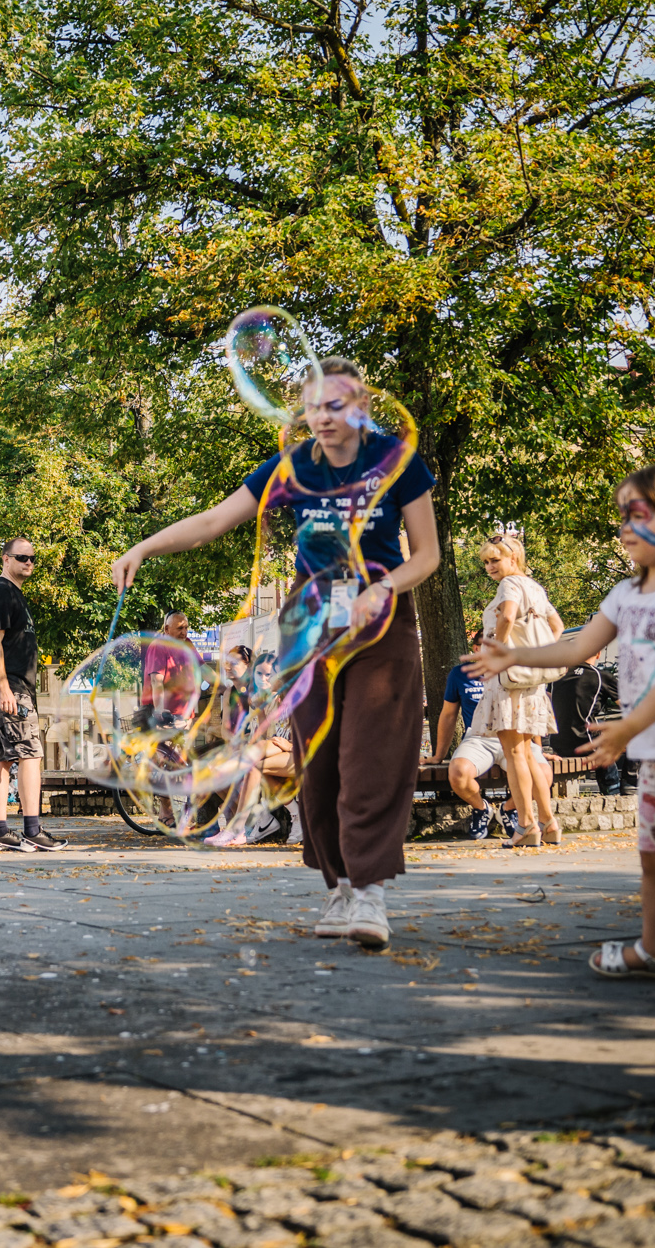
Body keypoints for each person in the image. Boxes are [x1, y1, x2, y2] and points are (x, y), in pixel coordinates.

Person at [112, 356, 441, 950]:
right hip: (310, 620)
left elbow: (428, 555)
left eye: (336, 406)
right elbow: (215, 520)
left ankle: (370, 893)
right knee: (320, 756)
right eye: (313, 407)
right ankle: (339, 885)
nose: (323, 418)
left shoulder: (397, 461)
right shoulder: (292, 468)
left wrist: (384, 587)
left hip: (379, 618)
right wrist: (144, 547)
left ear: (360, 405)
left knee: (372, 749)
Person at [466, 465, 655, 1004]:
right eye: (624, 515)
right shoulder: (627, 594)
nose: (626, 526)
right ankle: (653, 951)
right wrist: (514, 654)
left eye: (640, 515)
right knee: (651, 858)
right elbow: (573, 648)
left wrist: (626, 725)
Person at [0, 537, 66, 851]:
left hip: (11, 685)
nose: (29, 563)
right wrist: (4, 688)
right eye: (22, 557)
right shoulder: (2, 591)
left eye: (33, 558)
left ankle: (0, 831)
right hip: (9, 686)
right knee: (32, 754)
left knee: (2, 759)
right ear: (5, 559)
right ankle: (32, 829)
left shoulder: (13, 594)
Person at [475, 535, 563, 848]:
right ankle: (548, 822)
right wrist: (532, 655)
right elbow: (558, 626)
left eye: (494, 559)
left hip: (508, 680)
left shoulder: (509, 585)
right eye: (486, 561)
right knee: (528, 753)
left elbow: (509, 615)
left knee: (514, 755)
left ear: (513, 558)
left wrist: (498, 651)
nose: (489, 566)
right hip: (531, 681)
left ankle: (526, 825)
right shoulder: (536, 588)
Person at [436, 631, 501, 841]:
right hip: (478, 737)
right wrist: (438, 756)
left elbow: (531, 710)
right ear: (475, 648)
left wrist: (539, 748)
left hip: (514, 735)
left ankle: (509, 811)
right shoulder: (460, 673)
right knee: (457, 773)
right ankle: (482, 809)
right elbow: (448, 715)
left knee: (543, 774)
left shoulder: (516, 669)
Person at [550, 662, 624, 799]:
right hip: (586, 742)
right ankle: (614, 792)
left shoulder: (558, 674)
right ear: (598, 653)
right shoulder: (601, 676)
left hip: (558, 743)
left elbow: (549, 700)